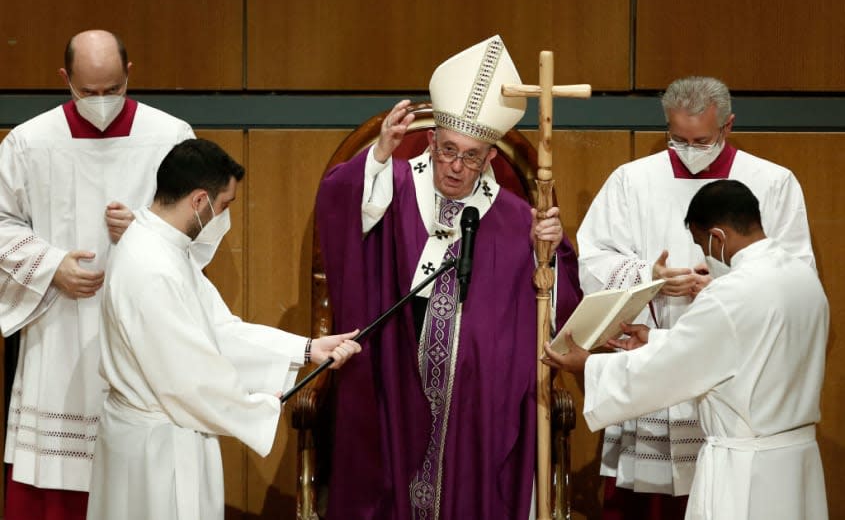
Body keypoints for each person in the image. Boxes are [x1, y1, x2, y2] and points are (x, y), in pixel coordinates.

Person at [315, 35, 582, 519]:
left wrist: (552, 249)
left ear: (492, 159)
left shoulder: (517, 216)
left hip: (476, 413)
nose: (456, 167)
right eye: (448, 150)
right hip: (395, 388)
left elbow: (556, 310)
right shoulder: (393, 183)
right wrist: (377, 155)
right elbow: (338, 206)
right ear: (432, 141)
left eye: (472, 156)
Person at [84, 138, 361, 520]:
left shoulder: (162, 247)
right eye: (224, 204)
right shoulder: (152, 266)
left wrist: (307, 349)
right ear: (199, 201)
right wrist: (258, 407)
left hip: (155, 437)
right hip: (156, 453)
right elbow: (188, 378)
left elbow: (218, 330)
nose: (224, 216)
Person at [575, 76, 815, 517]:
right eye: (676, 138)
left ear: (728, 126)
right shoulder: (631, 180)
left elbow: (796, 279)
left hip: (739, 389)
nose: (688, 149)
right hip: (657, 362)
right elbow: (593, 258)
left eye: (700, 139)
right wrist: (650, 277)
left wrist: (726, 290)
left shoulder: (773, 182)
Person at [544, 179, 829, 520]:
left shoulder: (731, 292)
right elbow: (747, 350)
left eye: (701, 243)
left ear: (718, 237)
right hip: (797, 461)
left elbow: (666, 372)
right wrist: (656, 339)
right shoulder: (801, 276)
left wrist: (587, 365)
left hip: (745, 469)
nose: (706, 256)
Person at [0, 29, 195, 520]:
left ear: (130, 74)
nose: (102, 103)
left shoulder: (170, 137)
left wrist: (150, 229)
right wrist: (49, 266)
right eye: (89, 92)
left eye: (113, 90)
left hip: (142, 330)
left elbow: (208, 218)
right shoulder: (29, 142)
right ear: (65, 79)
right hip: (60, 329)